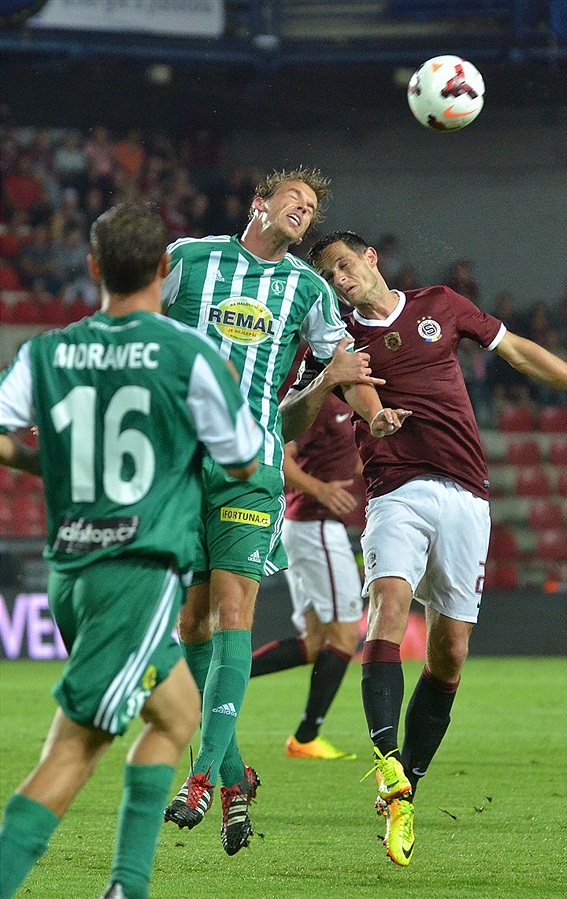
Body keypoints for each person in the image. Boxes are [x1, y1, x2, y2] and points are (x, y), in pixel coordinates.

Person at [295, 230, 567, 868]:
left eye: (346, 265)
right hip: (395, 491)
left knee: (451, 652)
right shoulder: (337, 339)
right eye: (331, 275)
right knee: (388, 605)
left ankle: (409, 792)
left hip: (466, 494)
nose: (342, 280)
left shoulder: (440, 304)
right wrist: (362, 408)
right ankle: (386, 762)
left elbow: (518, 352)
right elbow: (346, 396)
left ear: (371, 259)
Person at [0, 203, 262, 899]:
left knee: (176, 714)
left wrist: (51, 461)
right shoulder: (187, 354)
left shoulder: (49, 352)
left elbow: (1, 433)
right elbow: (242, 458)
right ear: (162, 272)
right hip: (137, 570)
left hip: (73, 573)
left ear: (92, 268)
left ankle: (129, 891)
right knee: (73, 752)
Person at [160, 168, 404, 855]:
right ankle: (238, 776)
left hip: (251, 466)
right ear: (259, 203)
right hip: (180, 464)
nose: (303, 209)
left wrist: (375, 415)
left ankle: (204, 773)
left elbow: (344, 364)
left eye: (313, 207)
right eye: (293, 198)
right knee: (192, 627)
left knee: (233, 614)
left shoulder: (307, 290)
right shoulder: (189, 261)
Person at [250, 389, 364, 760]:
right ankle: (306, 736)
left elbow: (347, 460)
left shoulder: (349, 400)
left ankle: (210, 679)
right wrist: (321, 490)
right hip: (315, 525)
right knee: (346, 635)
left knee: (316, 642)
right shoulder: (317, 403)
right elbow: (278, 454)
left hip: (310, 527)